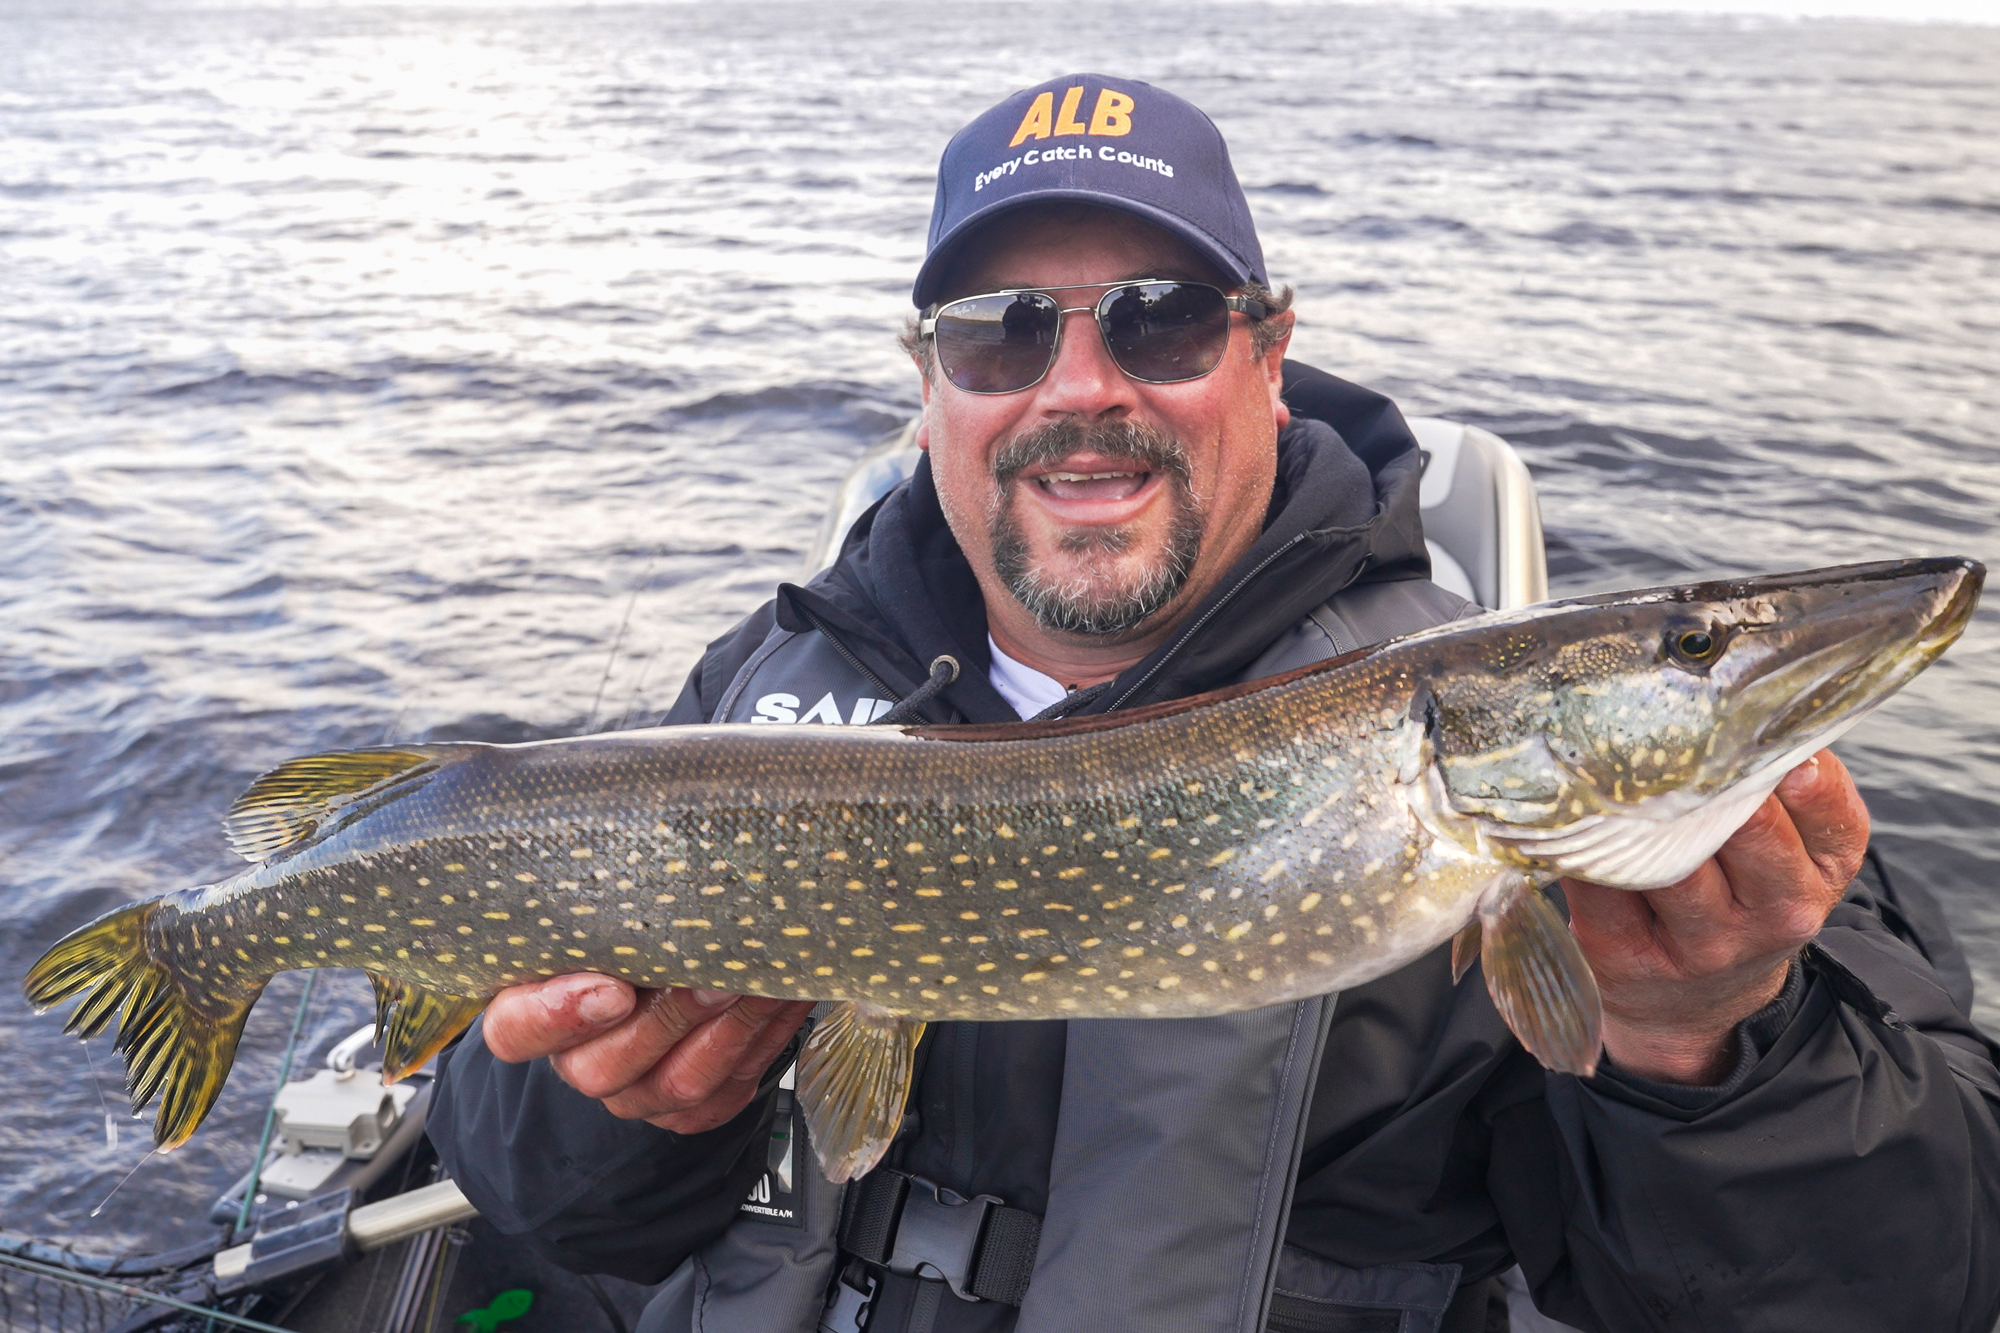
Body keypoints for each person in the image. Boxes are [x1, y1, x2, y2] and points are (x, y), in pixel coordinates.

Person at [429, 74, 2000, 1333]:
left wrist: (1718, 1048)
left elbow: (1904, 1281)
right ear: (930, 385)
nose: (1081, 384)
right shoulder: (761, 691)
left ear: (1267, 350)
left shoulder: (1629, 837)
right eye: (1001, 332)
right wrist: (607, 1112)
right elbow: (543, 1198)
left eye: (1164, 313)